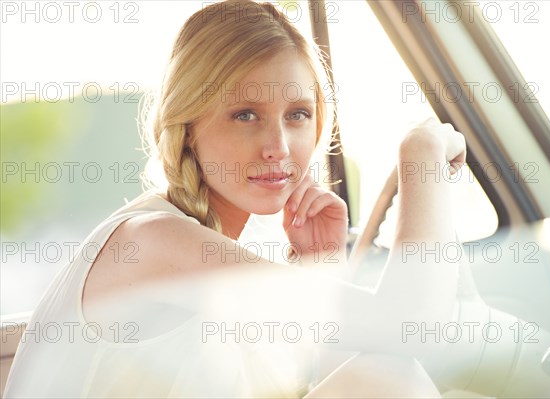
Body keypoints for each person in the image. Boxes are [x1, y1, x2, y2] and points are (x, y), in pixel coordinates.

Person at [4, 1, 468, 397]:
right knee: (392, 377)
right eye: (245, 114)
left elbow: (340, 373)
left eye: (298, 114)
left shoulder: (207, 256)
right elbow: (411, 326)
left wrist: (320, 263)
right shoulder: (153, 240)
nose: (279, 146)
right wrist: (419, 154)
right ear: (187, 130)